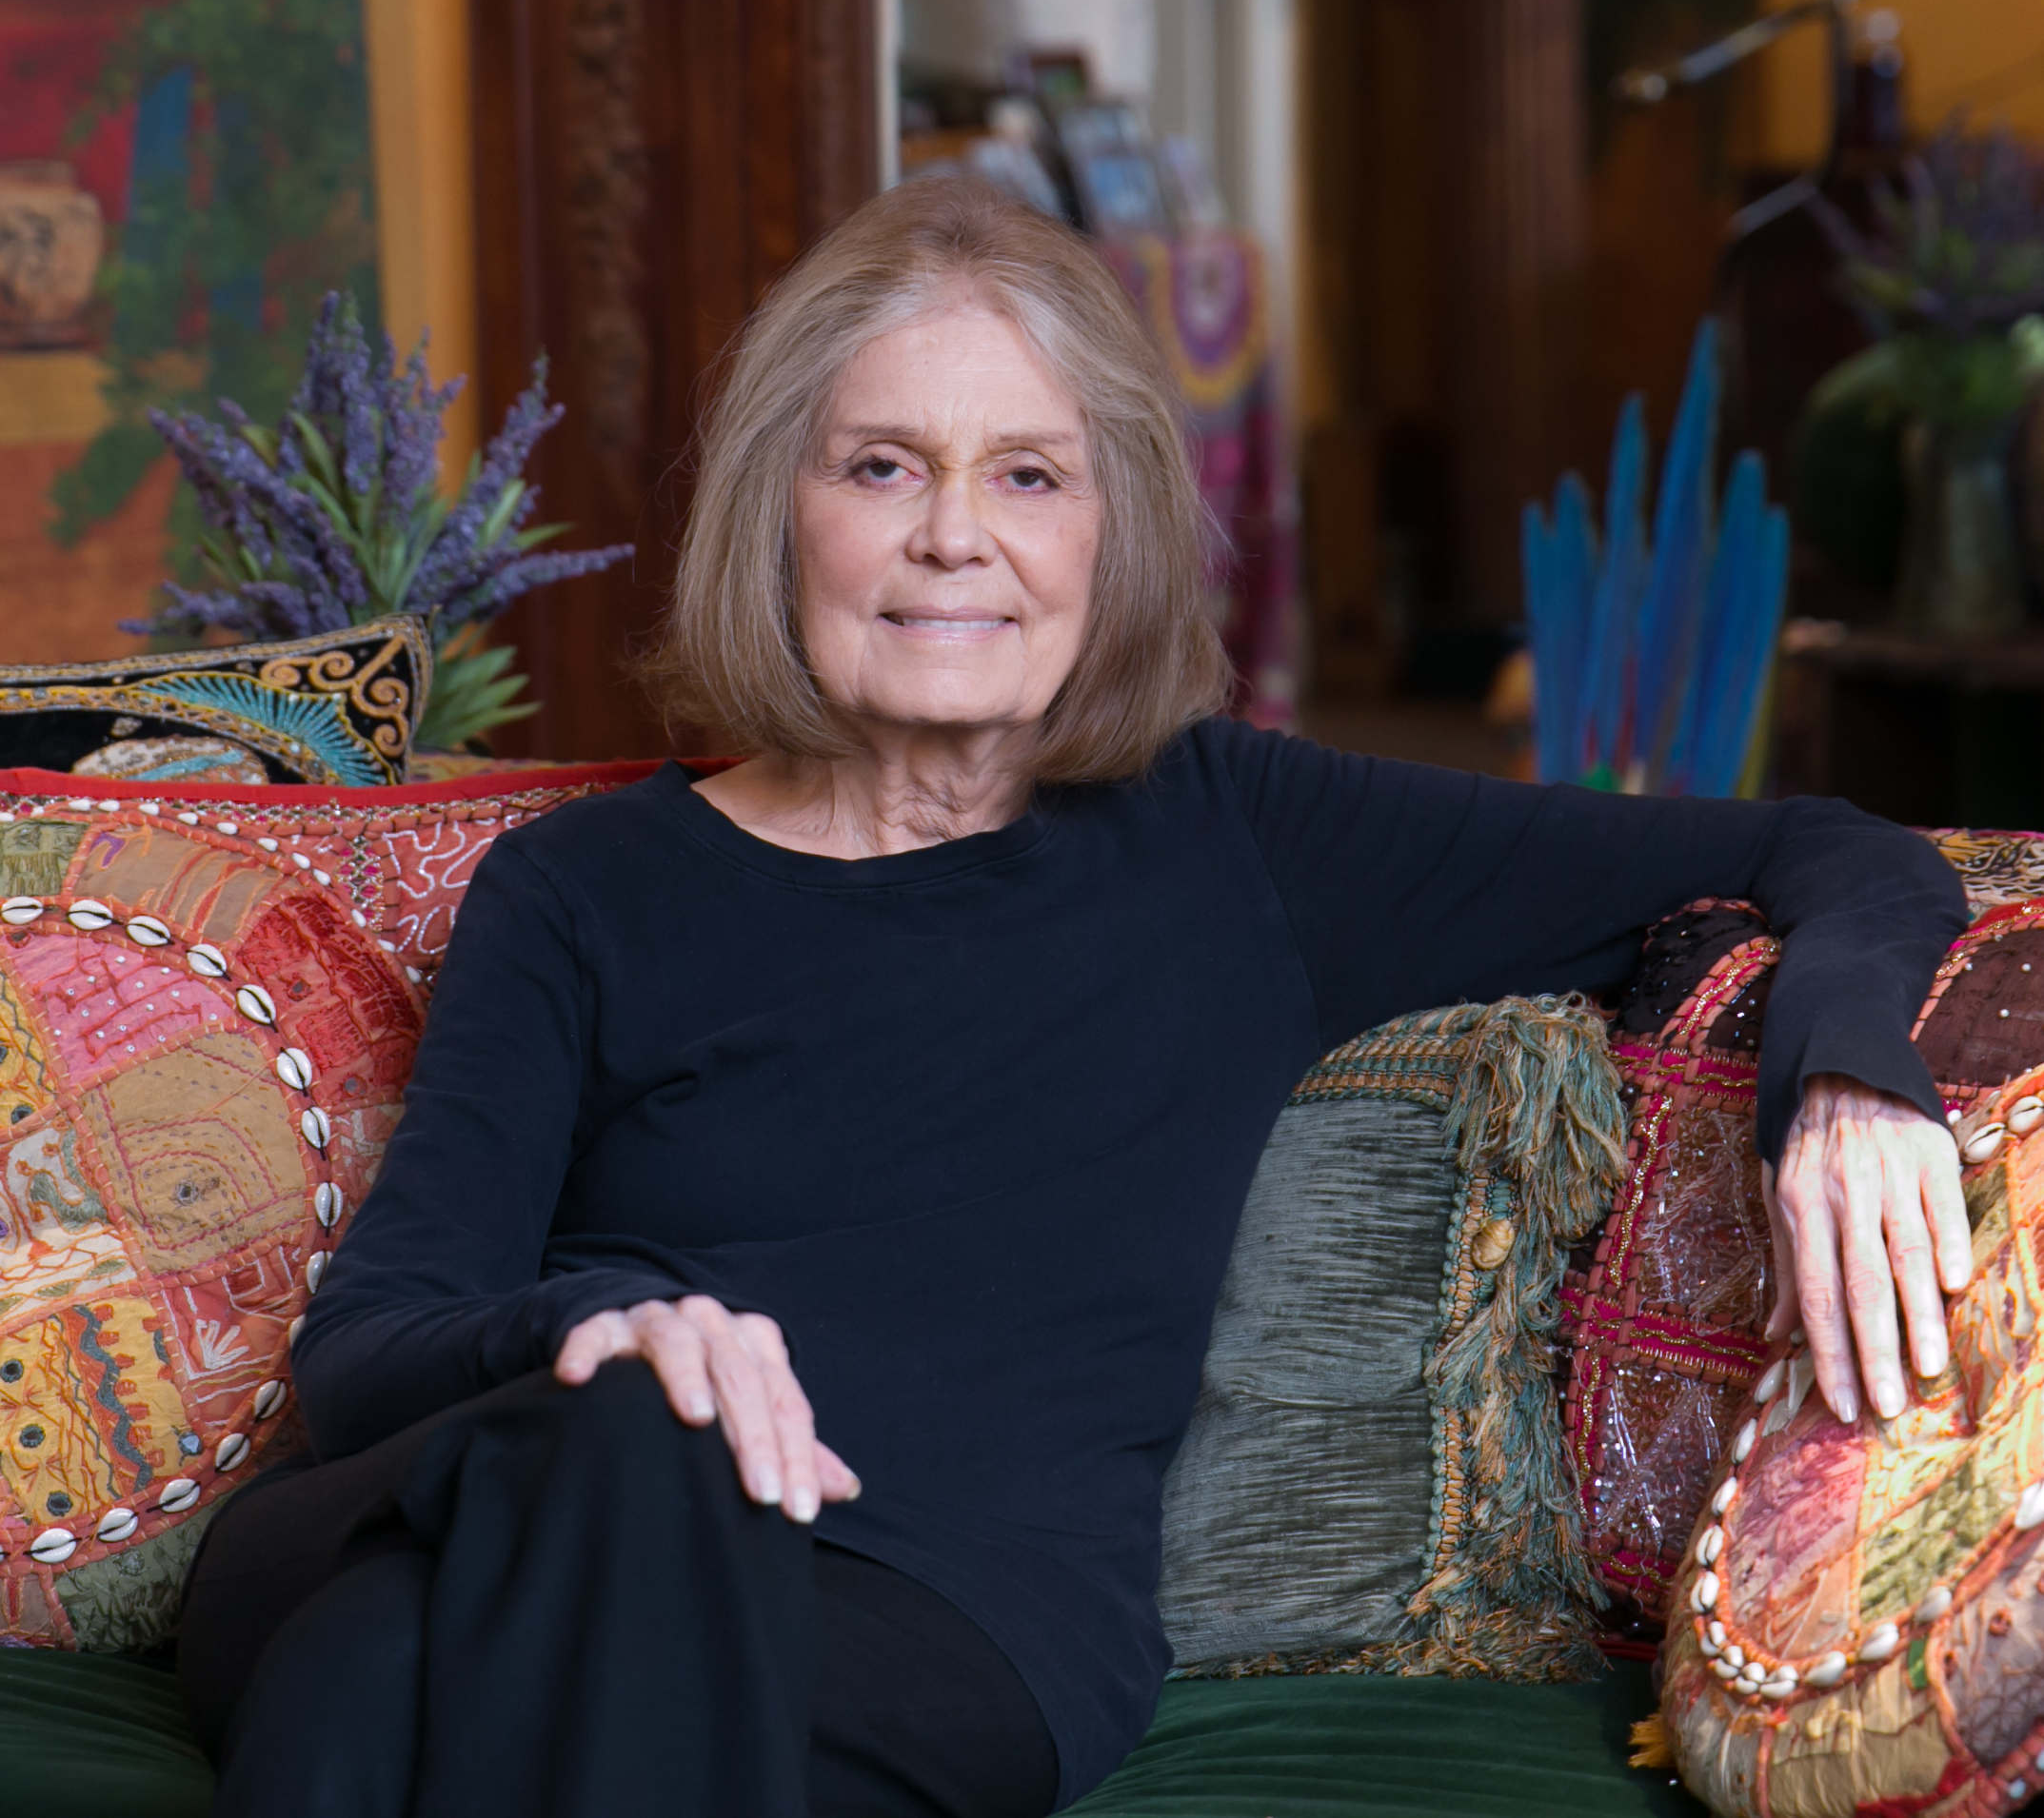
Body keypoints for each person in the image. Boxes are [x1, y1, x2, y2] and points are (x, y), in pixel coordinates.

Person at [176, 178, 1969, 1818]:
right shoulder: (585, 892)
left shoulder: (1243, 836)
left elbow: (1838, 845)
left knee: (375, 1669)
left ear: (1109, 533)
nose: (955, 537)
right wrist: (613, 1330)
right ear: (773, 512)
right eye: (881, 466)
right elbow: (370, 1353)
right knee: (599, 1469)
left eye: (1026, 475)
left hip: (945, 1618)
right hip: (527, 1500)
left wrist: (1845, 1076)